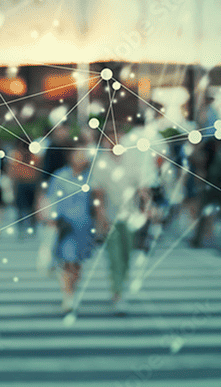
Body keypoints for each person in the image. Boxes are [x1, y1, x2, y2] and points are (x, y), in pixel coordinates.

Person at [91, 128, 156, 315]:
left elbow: (142, 187)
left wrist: (147, 208)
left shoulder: (133, 159)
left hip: (131, 216)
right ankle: (117, 293)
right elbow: (98, 194)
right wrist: (101, 216)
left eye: (118, 137)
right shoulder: (101, 163)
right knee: (115, 256)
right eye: (110, 138)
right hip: (111, 217)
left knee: (127, 254)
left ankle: (120, 286)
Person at [45, 134, 95, 315]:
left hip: (84, 227)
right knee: (67, 262)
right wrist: (51, 220)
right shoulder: (60, 176)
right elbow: (51, 199)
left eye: (84, 154)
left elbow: (96, 202)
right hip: (65, 227)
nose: (81, 157)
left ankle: (72, 291)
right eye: (78, 153)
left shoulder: (91, 177)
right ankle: (68, 296)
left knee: (78, 264)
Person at [6, 143, 41, 239]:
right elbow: (39, 171)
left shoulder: (17, 155)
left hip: (22, 183)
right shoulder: (34, 156)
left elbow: (12, 171)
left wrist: (11, 185)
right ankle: (31, 228)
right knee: (30, 208)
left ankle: (22, 229)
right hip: (30, 183)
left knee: (21, 207)